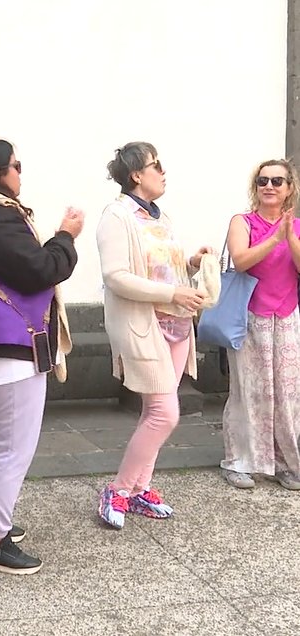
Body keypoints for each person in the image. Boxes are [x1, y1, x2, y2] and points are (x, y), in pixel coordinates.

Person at [0, 139, 82, 573]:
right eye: (16, 165)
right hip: (8, 346)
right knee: (13, 449)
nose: (20, 173)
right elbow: (40, 270)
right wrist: (65, 236)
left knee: (0, 442)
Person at [95, 141, 212, 529]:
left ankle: (140, 488)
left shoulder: (161, 217)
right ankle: (118, 489)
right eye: (156, 165)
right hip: (145, 327)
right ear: (136, 175)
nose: (163, 172)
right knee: (165, 413)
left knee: (154, 412)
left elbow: (165, 270)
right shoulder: (117, 215)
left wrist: (191, 264)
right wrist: (172, 293)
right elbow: (116, 277)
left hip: (177, 326)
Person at [220, 159, 300, 490]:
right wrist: (273, 237)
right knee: (248, 390)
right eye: (262, 181)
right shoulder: (243, 222)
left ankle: (285, 463)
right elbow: (241, 261)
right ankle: (239, 461)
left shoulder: (296, 225)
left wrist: (289, 236)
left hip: (287, 317)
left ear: (289, 188)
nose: (269, 186)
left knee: (287, 393)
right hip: (249, 317)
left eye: (277, 181)